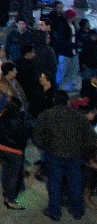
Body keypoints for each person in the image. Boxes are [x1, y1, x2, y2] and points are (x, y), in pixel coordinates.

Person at [31, 89, 97, 221]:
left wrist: (45, 147)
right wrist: (81, 151)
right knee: (75, 184)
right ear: (67, 102)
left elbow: (36, 136)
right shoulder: (77, 117)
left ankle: (54, 211)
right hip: (74, 157)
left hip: (53, 155)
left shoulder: (46, 115)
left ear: (54, 101)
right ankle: (77, 211)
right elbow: (91, 139)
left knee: (54, 184)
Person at [0, 98, 29, 210]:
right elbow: (23, 137)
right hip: (15, 151)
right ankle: (11, 200)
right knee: (13, 176)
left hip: (2, 148)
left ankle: (6, 194)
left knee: (5, 173)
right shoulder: (18, 122)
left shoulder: (2, 119)